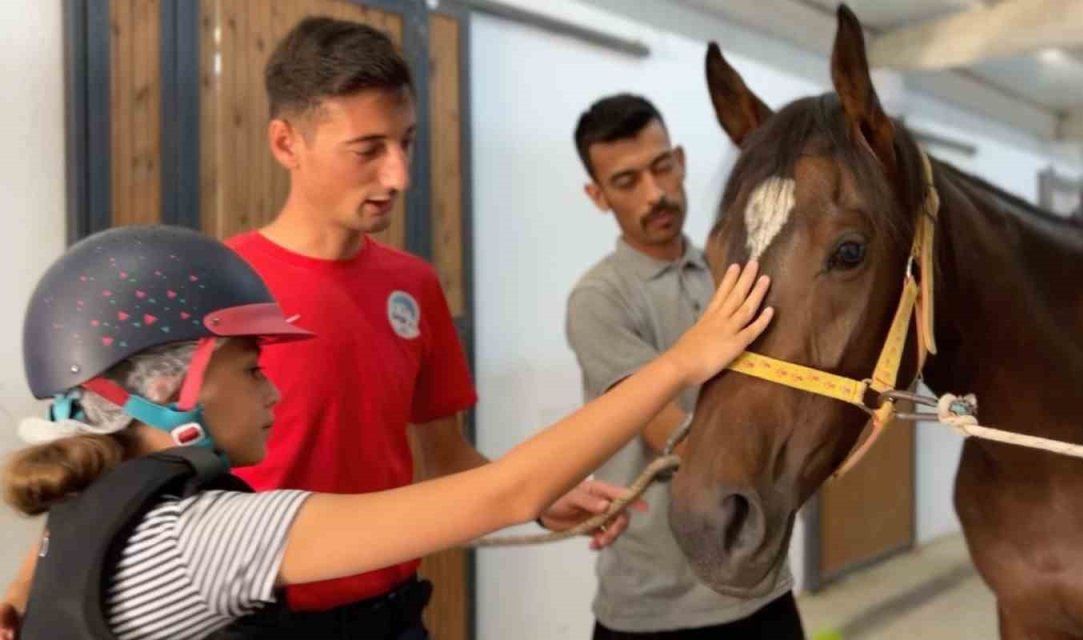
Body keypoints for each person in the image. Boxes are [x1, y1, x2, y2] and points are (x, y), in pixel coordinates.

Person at [1, 224, 773, 639]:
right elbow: (507, 492)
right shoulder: (206, 539)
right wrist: (680, 362)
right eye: (250, 368)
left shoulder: (81, 514)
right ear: (170, 392)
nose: (272, 390)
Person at [567, 94, 803, 639]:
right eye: (627, 182)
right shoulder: (601, 298)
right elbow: (665, 426)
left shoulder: (735, 273)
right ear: (597, 196)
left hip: (761, 586)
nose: (655, 194)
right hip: (656, 607)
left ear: (681, 160)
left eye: (661, 168)